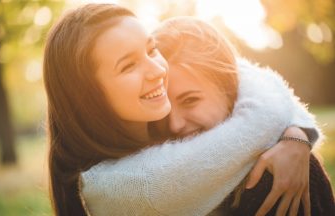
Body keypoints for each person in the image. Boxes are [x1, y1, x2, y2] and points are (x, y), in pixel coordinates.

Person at [43, 3, 326, 216]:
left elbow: (238, 78)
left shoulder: (151, 133)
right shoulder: (128, 186)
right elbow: (260, 119)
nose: (156, 70)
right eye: (128, 65)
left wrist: (296, 132)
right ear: (88, 97)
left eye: (151, 50)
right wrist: (295, 135)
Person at [152, 17, 334, 215]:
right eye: (163, 104)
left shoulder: (278, 175)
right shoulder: (150, 172)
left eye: (190, 100)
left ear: (229, 91)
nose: (174, 124)